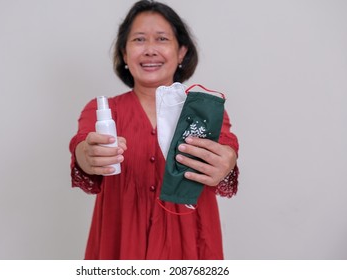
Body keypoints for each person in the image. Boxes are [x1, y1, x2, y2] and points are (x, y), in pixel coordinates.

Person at [69, 0, 239, 260]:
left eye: (161, 39)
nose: (150, 50)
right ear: (124, 54)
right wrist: (87, 155)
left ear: (181, 51)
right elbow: (82, 147)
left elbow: (227, 148)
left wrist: (226, 160)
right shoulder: (103, 110)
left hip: (191, 246)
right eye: (138, 40)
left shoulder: (205, 111)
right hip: (121, 244)